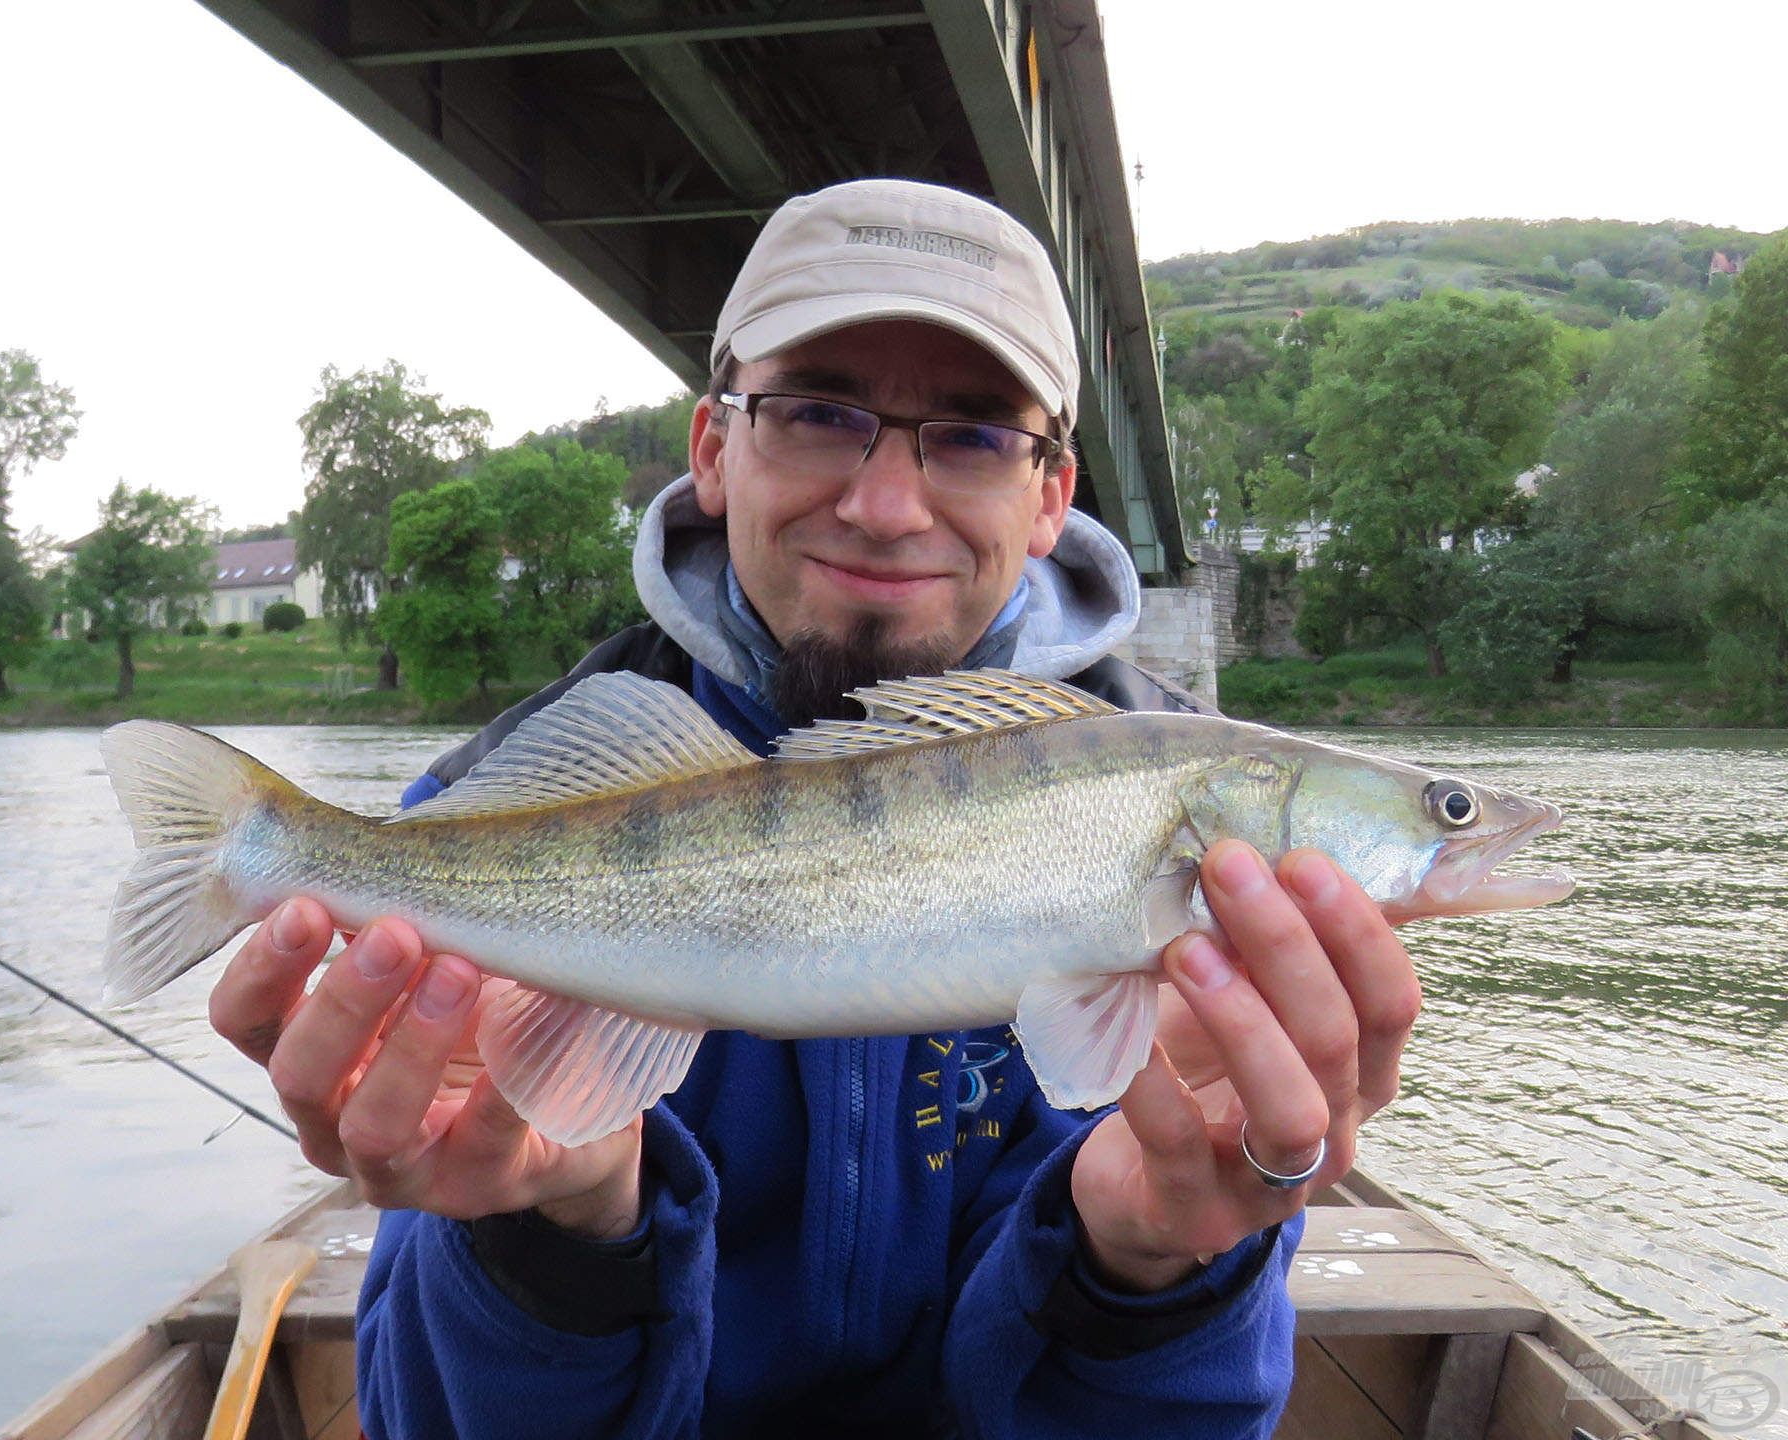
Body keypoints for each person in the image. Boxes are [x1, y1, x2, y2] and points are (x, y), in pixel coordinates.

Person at [208, 179, 1420, 1438]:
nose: (886, 508)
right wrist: (554, 1234)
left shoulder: (1172, 834)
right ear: (714, 450)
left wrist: (1150, 1268)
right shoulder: (484, 817)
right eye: (819, 413)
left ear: (1054, 494)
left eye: (973, 434)